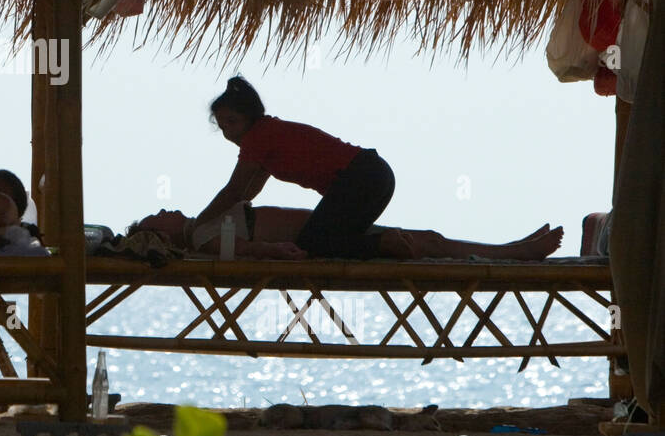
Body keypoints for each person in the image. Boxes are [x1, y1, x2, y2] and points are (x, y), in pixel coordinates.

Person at [189, 76, 400, 260]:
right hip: (375, 174)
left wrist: (198, 224)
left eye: (232, 122)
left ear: (249, 116)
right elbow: (247, 192)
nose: (228, 133)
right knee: (336, 238)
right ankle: (393, 243)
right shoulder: (268, 134)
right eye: (223, 127)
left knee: (313, 244)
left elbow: (234, 190)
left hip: (362, 176)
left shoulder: (258, 137)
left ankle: (384, 243)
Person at [135, 206, 563, 261]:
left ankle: (512, 248)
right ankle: (512, 253)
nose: (164, 209)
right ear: (160, 235)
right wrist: (279, 251)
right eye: (157, 216)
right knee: (425, 243)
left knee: (428, 238)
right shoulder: (199, 236)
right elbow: (245, 249)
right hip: (330, 237)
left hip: (331, 225)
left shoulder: (203, 221)